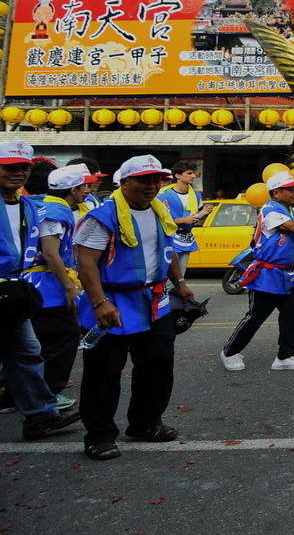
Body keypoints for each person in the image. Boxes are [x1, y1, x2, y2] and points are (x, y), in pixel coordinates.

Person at [75, 154, 195, 461]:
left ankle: (145, 424)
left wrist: (178, 282)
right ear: (124, 182)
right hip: (112, 302)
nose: (152, 185)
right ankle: (99, 436)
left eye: (157, 180)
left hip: (154, 302)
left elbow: (165, 249)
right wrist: (100, 302)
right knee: (104, 372)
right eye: (144, 180)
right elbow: (86, 261)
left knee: (157, 366)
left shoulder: (160, 210)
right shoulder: (103, 216)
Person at [0, 141, 82, 442]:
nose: (18, 173)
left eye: (24, 167)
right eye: (10, 167)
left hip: (12, 292)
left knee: (27, 353)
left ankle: (40, 416)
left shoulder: (28, 206)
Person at [221, 171, 294, 372]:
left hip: (292, 272)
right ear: (276, 193)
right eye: (290, 189)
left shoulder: (291, 210)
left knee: (292, 315)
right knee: (256, 316)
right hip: (268, 273)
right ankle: (230, 352)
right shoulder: (270, 210)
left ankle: (285, 356)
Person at [29, 164, 98, 407]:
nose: (87, 191)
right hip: (47, 287)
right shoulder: (56, 213)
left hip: (38, 285)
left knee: (38, 342)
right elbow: (50, 254)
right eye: (84, 187)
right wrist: (69, 286)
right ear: (73, 189)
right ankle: (48, 394)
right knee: (63, 339)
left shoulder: (43, 204)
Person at [158, 162, 213, 275]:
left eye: (193, 173)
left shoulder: (196, 195)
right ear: (177, 176)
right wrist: (182, 220)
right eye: (189, 173)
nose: (193, 176)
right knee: (166, 273)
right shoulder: (163, 196)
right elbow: (158, 221)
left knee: (180, 275)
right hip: (169, 237)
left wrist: (204, 213)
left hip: (187, 238)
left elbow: (196, 217)